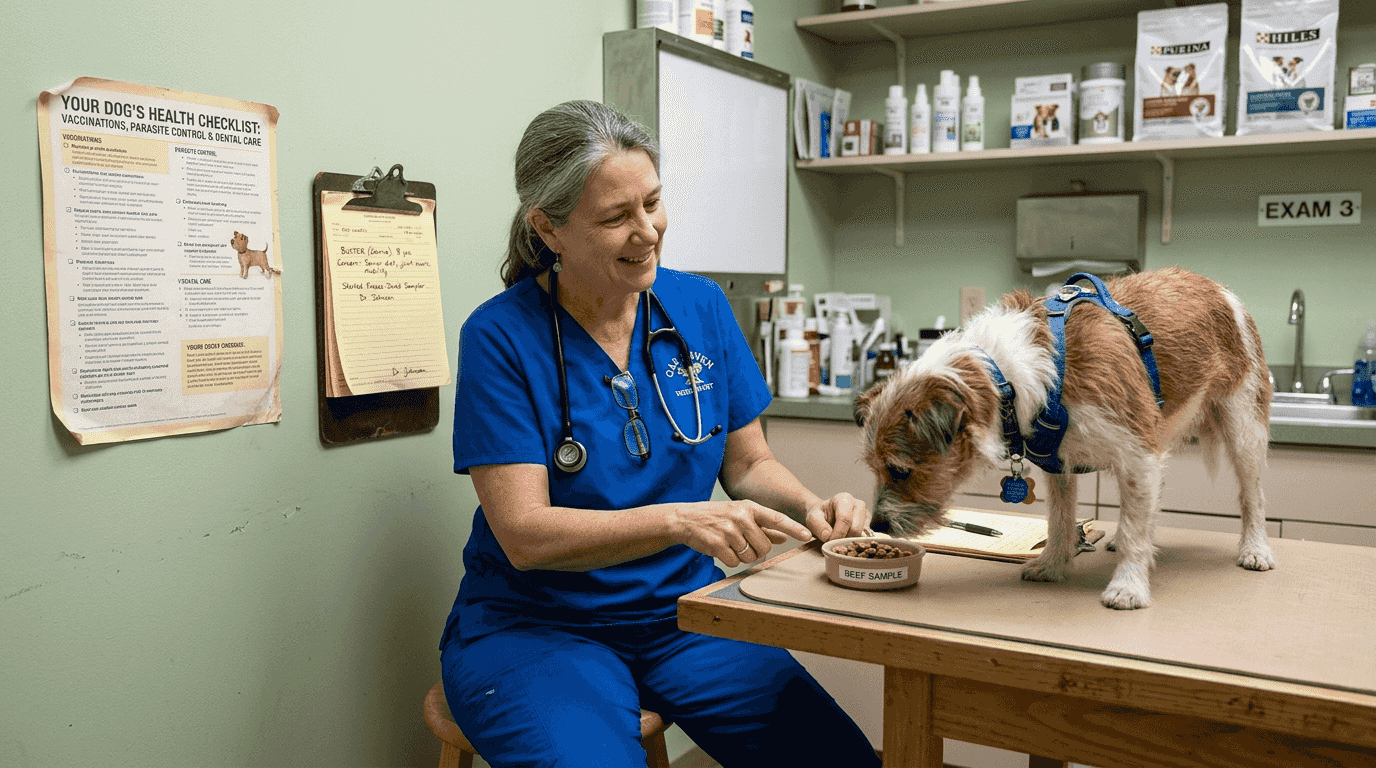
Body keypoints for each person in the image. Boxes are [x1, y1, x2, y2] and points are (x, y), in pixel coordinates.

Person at [441, 100, 880, 767]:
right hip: (539, 630)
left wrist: (812, 508)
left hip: (688, 615)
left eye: (652, 202)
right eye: (616, 216)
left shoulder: (699, 307)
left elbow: (750, 462)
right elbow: (524, 536)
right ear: (548, 229)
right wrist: (680, 520)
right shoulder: (500, 336)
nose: (647, 231)